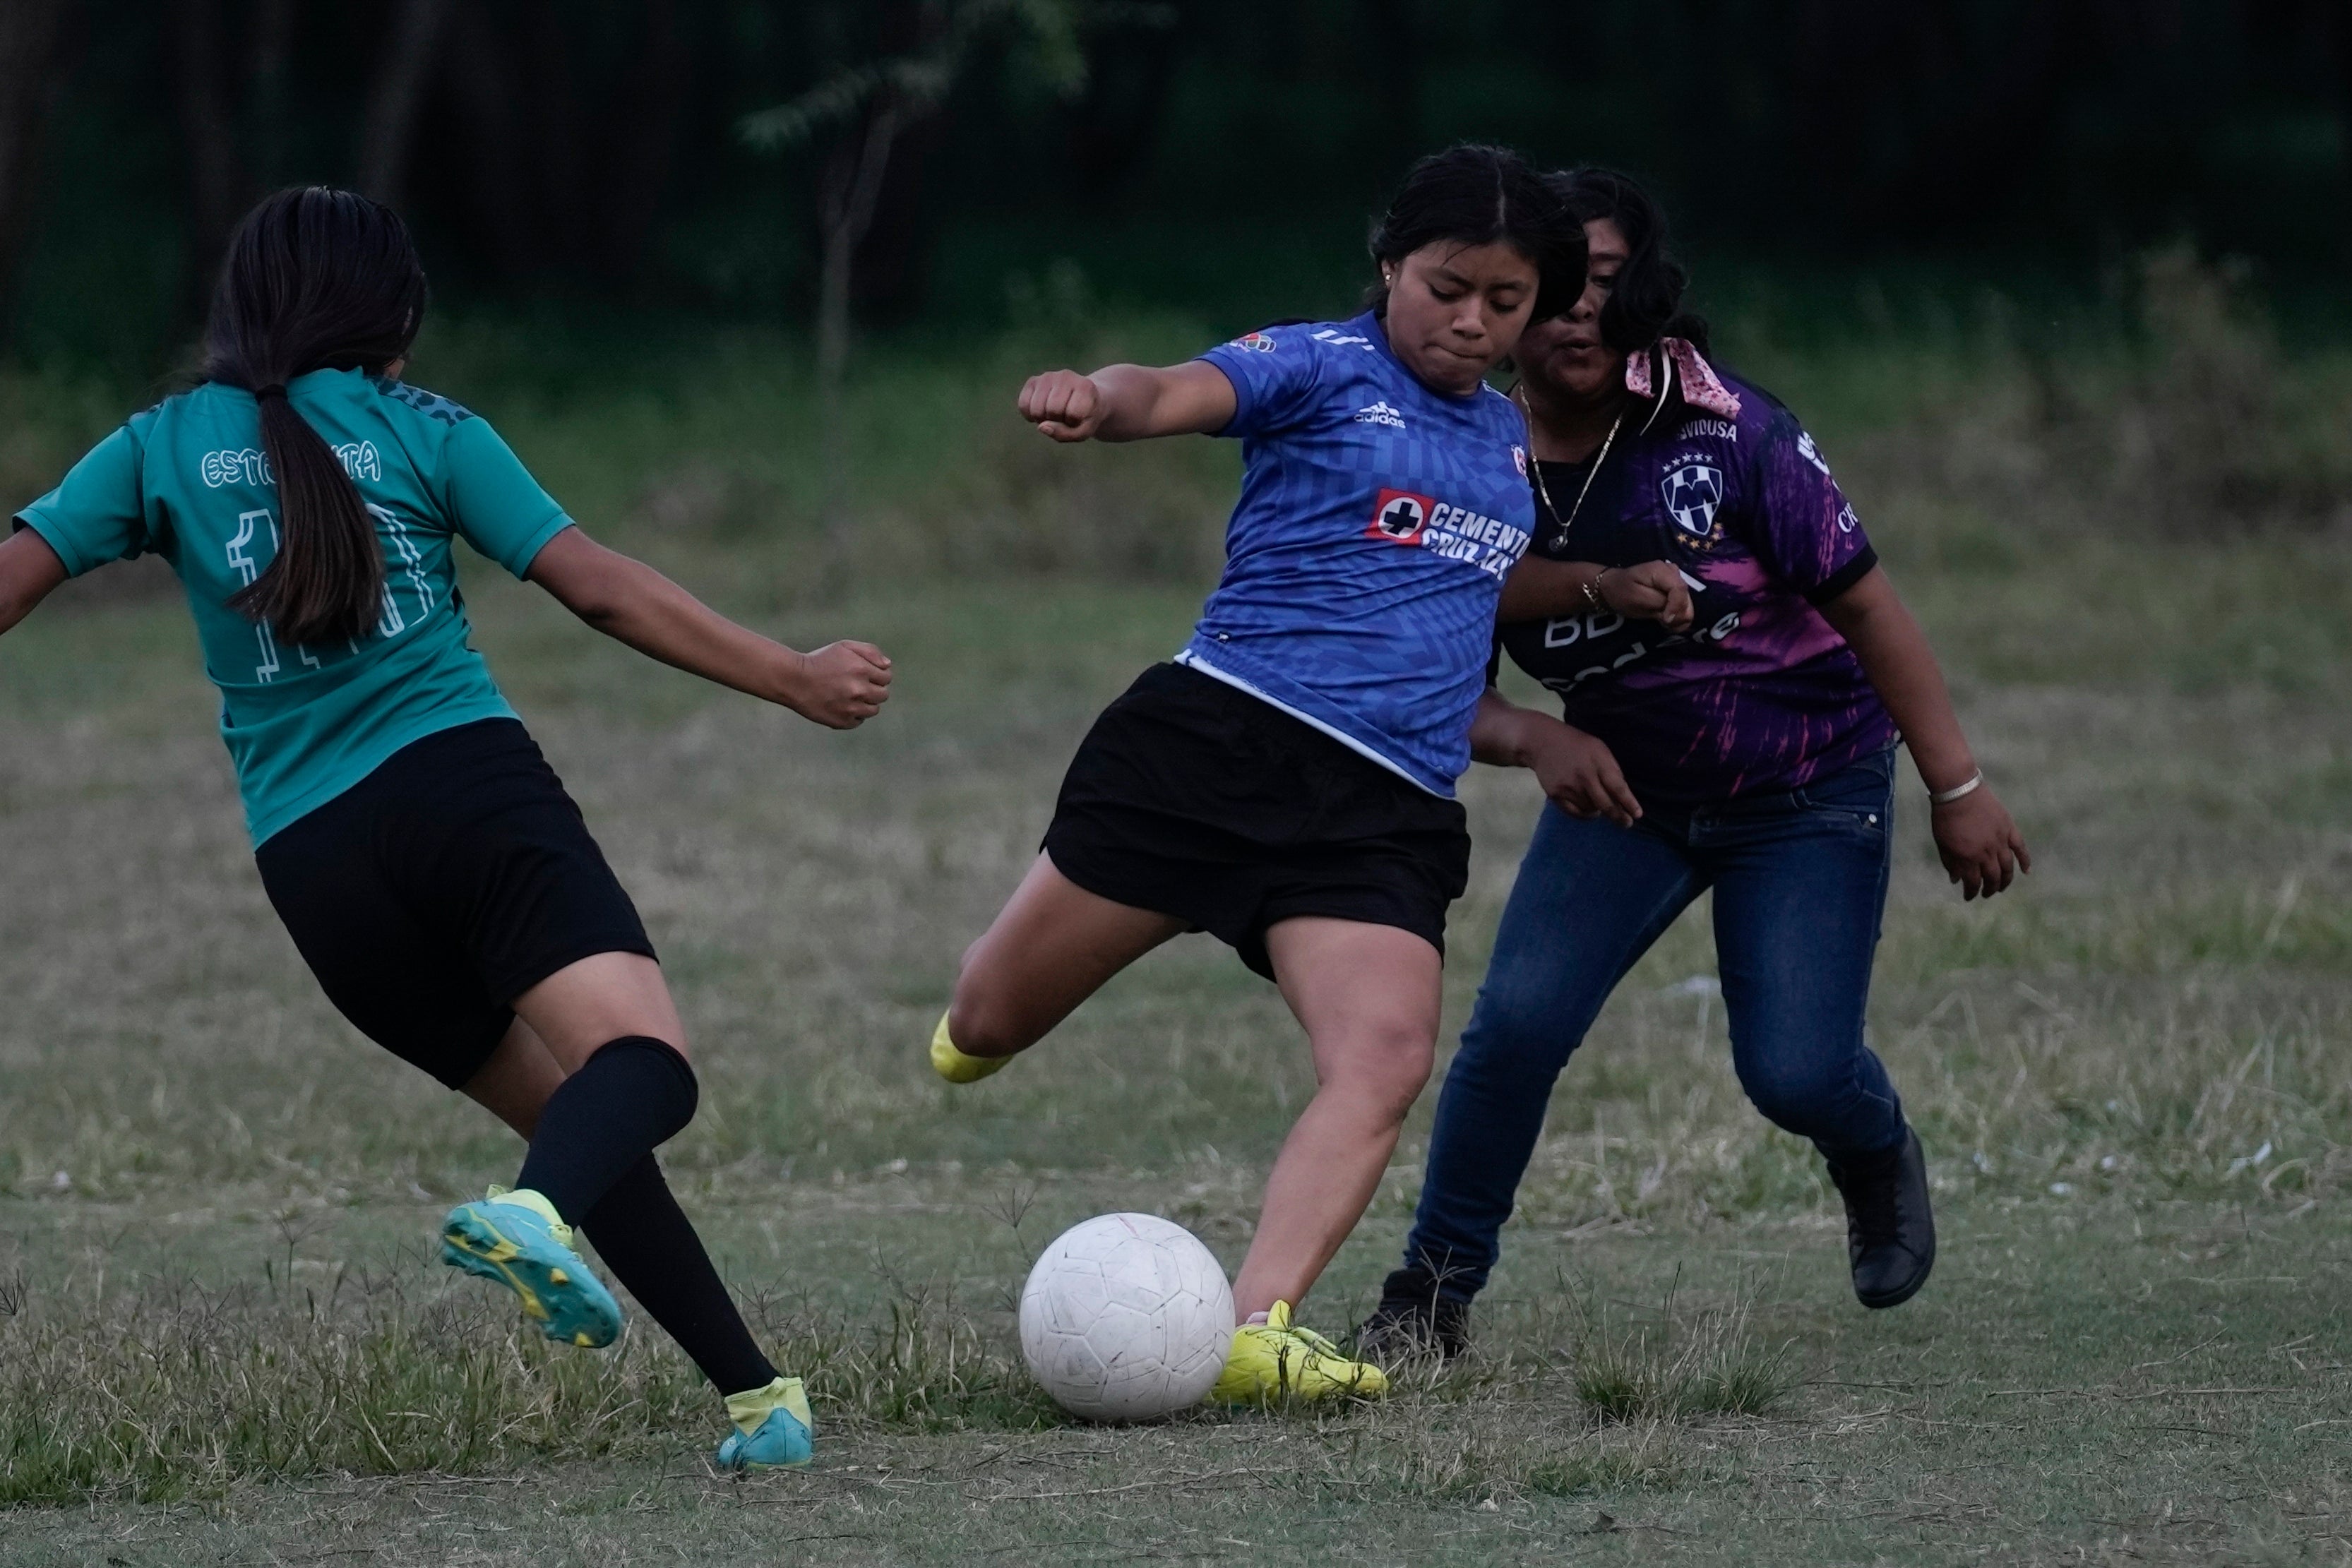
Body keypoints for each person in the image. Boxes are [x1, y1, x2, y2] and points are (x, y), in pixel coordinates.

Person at [0, 188, 895, 1468]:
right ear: (388, 316)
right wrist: (794, 677)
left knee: (577, 1120)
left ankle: (757, 1397)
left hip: (317, 872)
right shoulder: (425, 427)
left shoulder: (155, 446)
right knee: (644, 1068)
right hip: (466, 794)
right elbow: (605, 593)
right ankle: (533, 1213)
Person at [930, 145, 1584, 1402]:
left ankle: (1251, 1328)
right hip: (1215, 749)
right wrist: (1096, 397)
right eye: (1450, 287)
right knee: (991, 1017)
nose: (1473, 322)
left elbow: (1457, 601)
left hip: (1381, 807)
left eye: (1507, 303)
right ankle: (967, 1028)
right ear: (1391, 265)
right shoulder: (1320, 364)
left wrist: (1564, 670)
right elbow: (1170, 390)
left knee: (1386, 1055)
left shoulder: (1509, 439)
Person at [1362, 168, 2031, 1359]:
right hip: (1631, 798)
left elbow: (1872, 608)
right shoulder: (1455, 452)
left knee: (1795, 1073)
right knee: (1514, 1026)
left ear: (1643, 292)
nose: (1572, 313)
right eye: (1547, 290)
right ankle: (1432, 1294)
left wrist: (1959, 788)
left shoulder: (1729, 433)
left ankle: (1871, 1147)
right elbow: (1432, 682)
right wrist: (1542, 737)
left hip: (1810, 790)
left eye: (1602, 285)